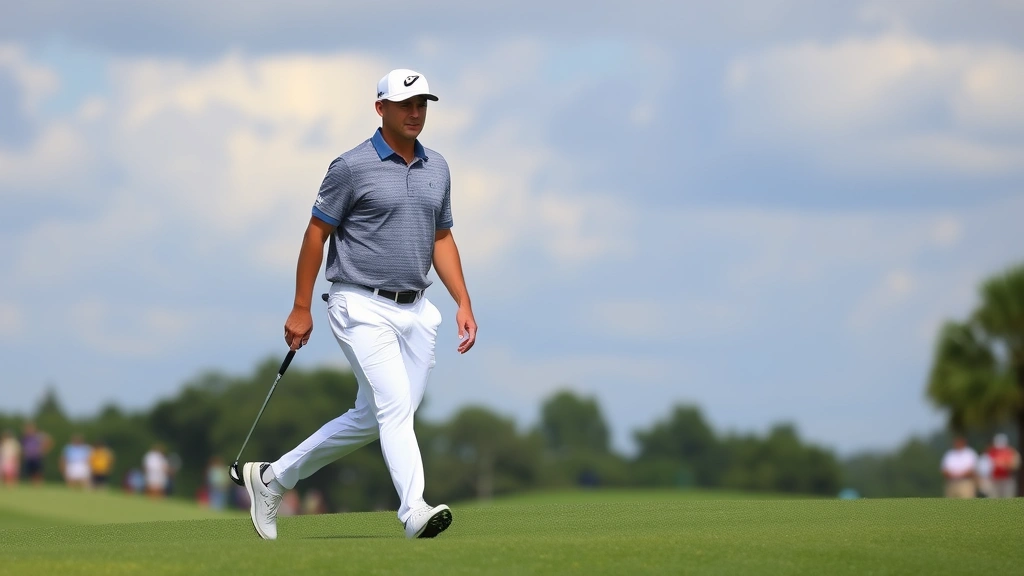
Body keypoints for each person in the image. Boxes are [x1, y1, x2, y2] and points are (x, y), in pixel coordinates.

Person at [242, 68, 477, 541]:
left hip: (417, 310)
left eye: (422, 105)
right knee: (393, 408)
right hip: (359, 303)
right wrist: (301, 306)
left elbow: (442, 237)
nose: (415, 114)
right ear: (380, 108)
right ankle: (414, 510)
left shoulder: (439, 167)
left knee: (377, 417)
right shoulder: (350, 167)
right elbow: (316, 233)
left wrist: (463, 302)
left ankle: (272, 479)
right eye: (405, 105)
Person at [986, 433, 1020, 498]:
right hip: (994, 480)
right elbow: (987, 465)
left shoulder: (1011, 452)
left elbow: (1015, 465)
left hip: (1007, 480)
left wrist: (1005, 464)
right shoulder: (992, 452)